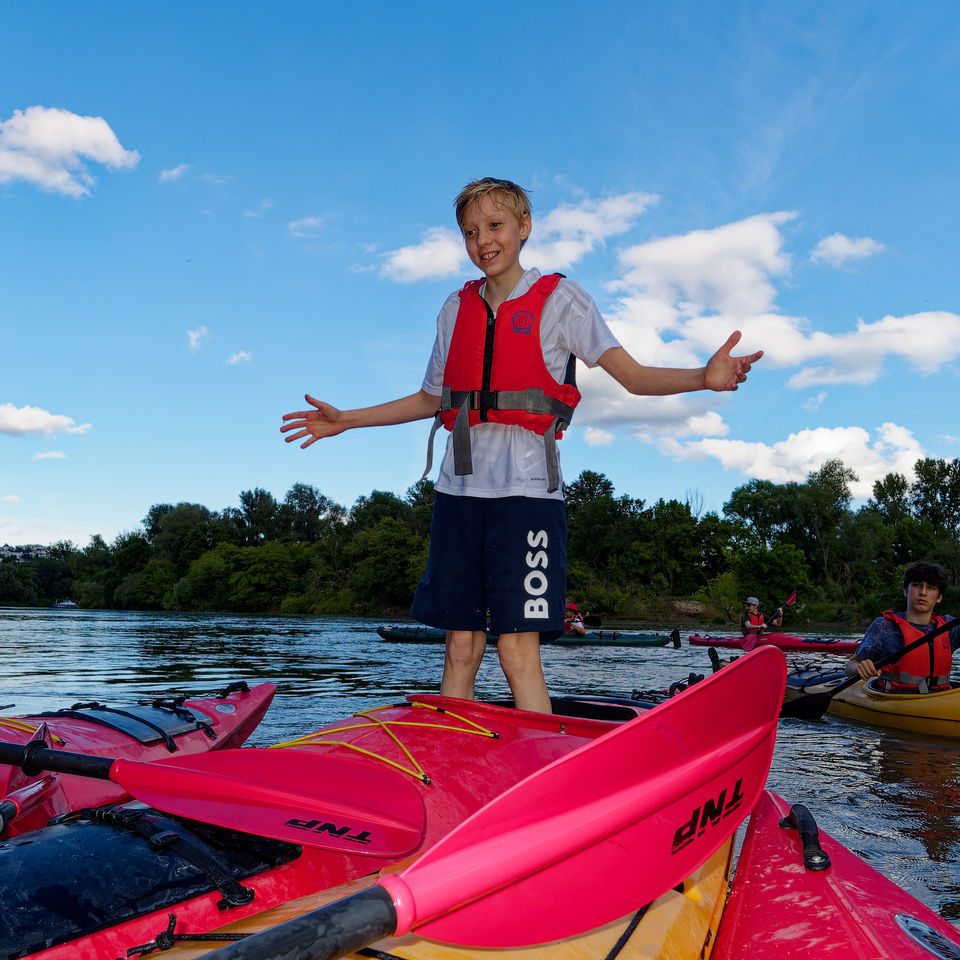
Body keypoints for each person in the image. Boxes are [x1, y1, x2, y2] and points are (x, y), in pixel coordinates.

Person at [281, 177, 763, 713]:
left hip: (527, 496)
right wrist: (347, 419)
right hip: (459, 494)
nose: (483, 240)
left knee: (516, 649)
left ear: (523, 228)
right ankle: (450, 767)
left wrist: (705, 376)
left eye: (494, 225)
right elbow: (430, 398)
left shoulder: (563, 300)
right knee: (459, 646)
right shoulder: (452, 309)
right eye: (470, 231)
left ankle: (540, 771)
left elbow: (634, 377)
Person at [845, 560, 960, 693]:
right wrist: (859, 668)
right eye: (917, 585)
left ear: (939, 597)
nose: (923, 592)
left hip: (939, 698)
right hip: (894, 698)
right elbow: (850, 666)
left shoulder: (951, 628)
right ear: (906, 590)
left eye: (931, 587)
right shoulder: (883, 626)